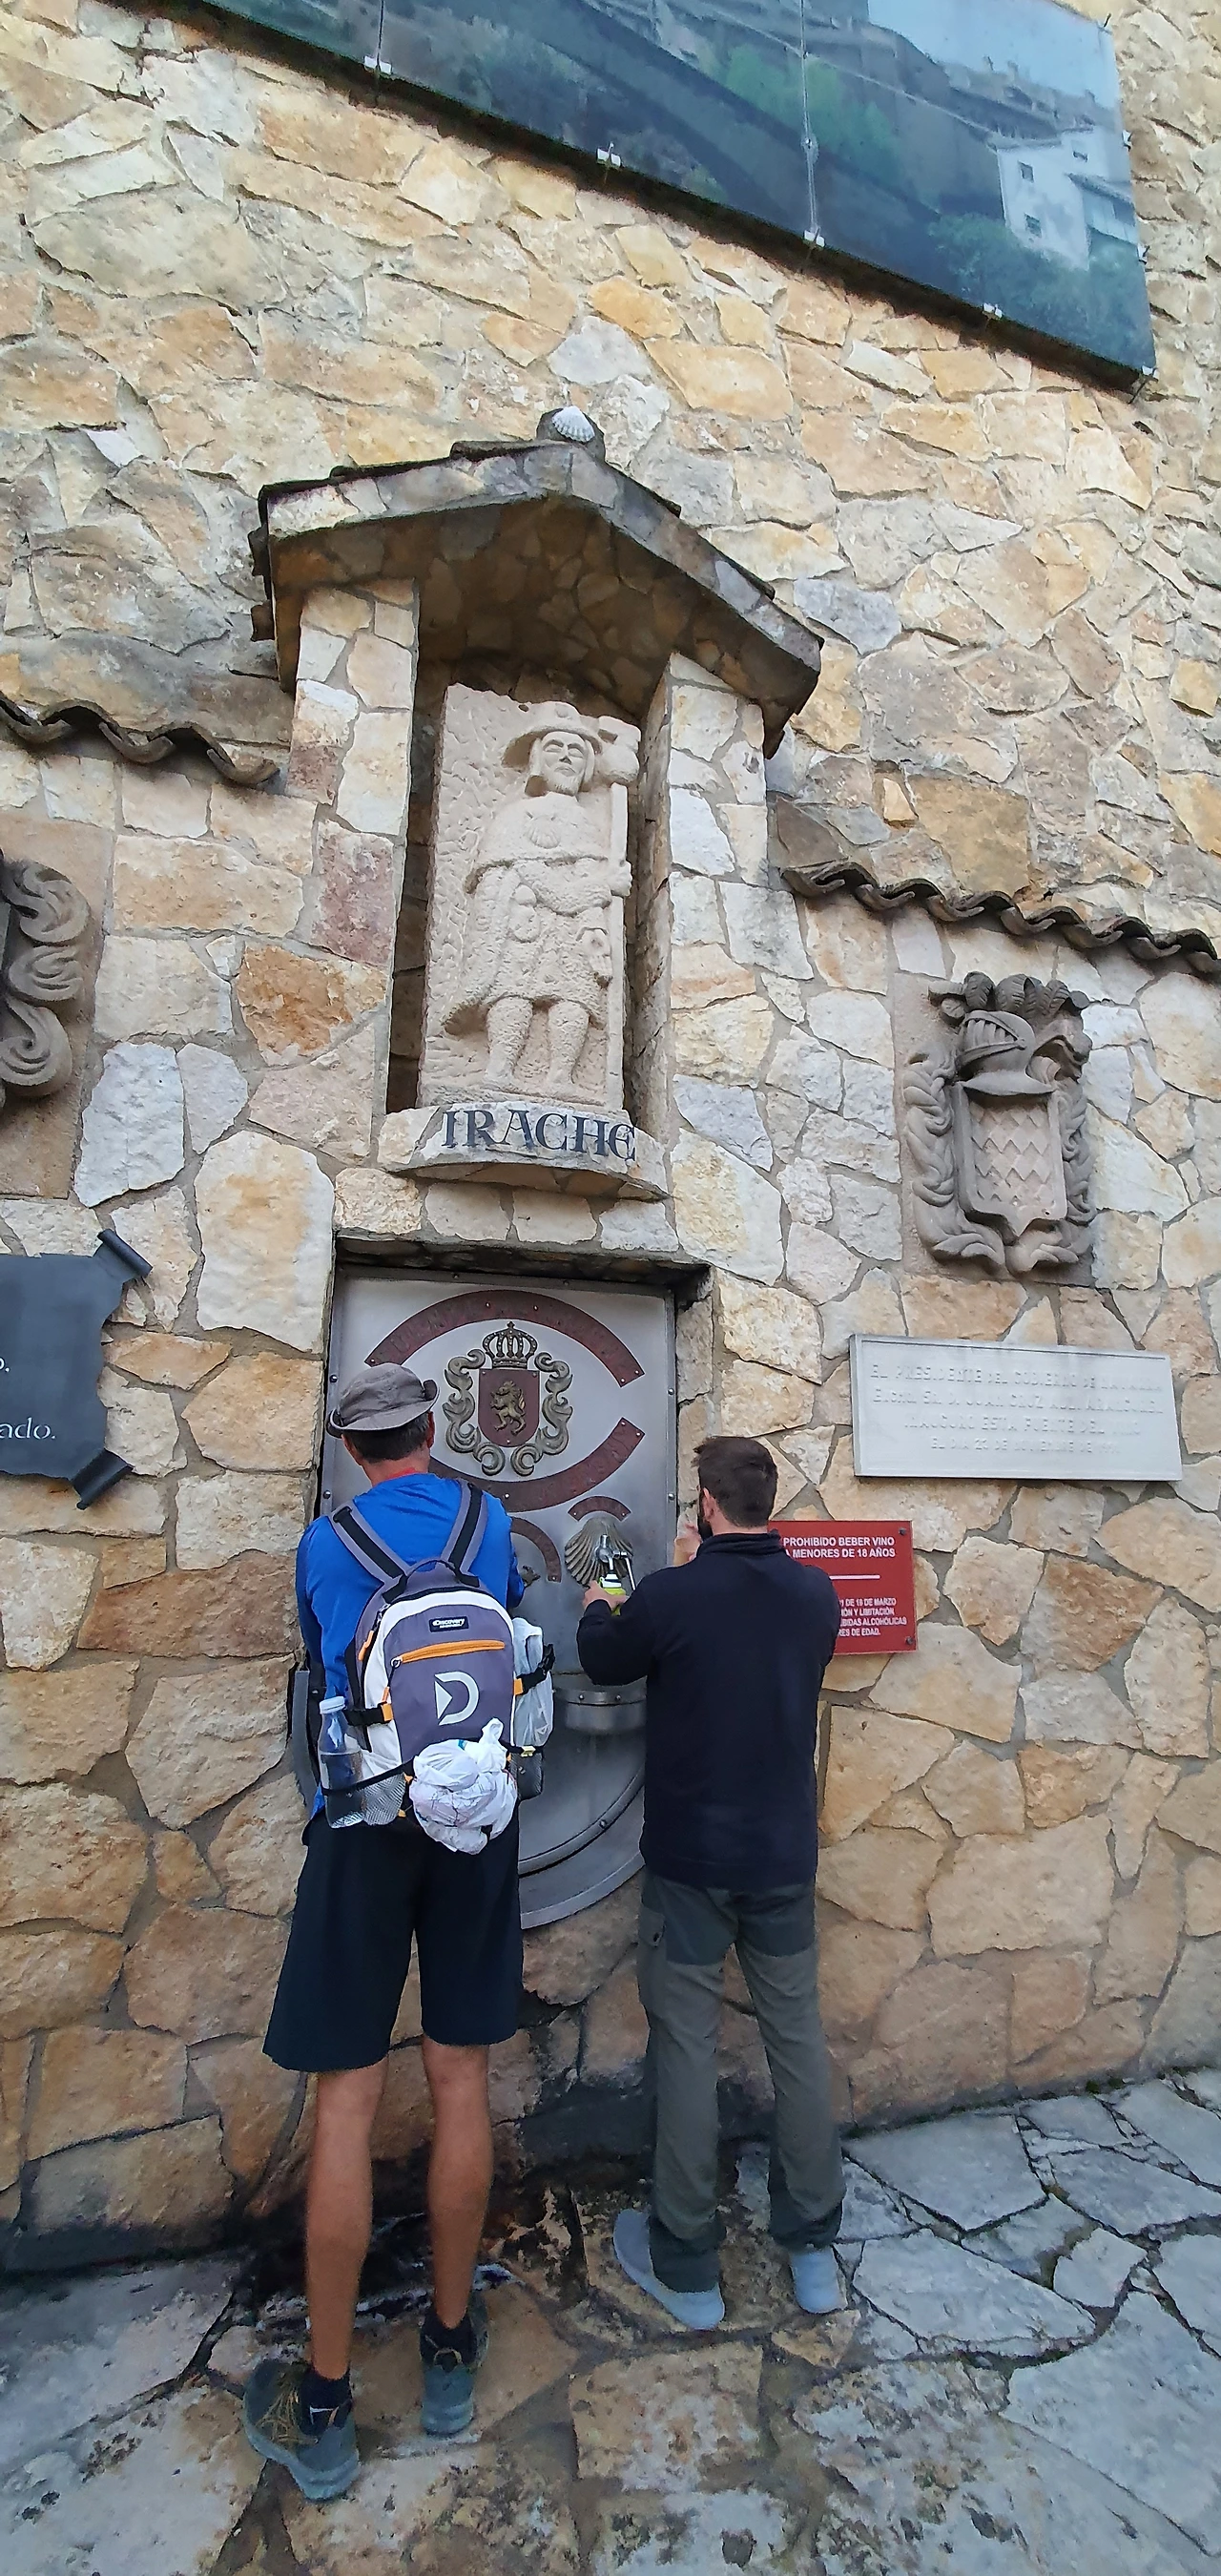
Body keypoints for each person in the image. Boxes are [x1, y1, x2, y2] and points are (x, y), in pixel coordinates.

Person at [242, 1362, 525, 2498]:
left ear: (355, 1451)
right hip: (475, 1826)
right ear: (430, 1431)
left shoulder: (325, 1545)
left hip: (362, 1830)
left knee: (347, 2102)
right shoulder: (487, 1522)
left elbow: (323, 1662)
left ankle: (323, 2404)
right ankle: (449, 2352)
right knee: (461, 2079)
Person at [576, 1433, 843, 2330]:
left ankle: (688, 2265)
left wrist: (603, 1597)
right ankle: (812, 2251)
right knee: (797, 2040)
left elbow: (607, 1654)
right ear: (767, 1502)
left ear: (706, 1504)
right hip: (782, 1858)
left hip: (691, 1865)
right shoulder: (815, 1594)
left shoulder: (671, 1595)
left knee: (687, 2048)